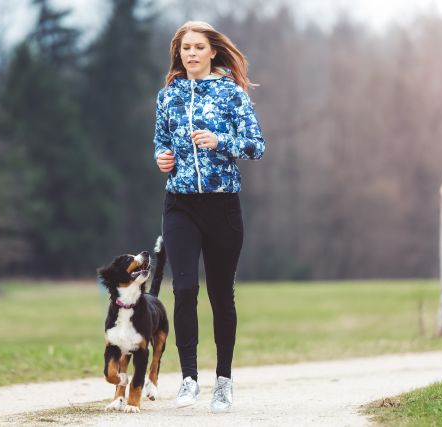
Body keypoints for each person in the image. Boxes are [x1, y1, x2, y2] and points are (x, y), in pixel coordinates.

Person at [153, 20, 265, 413]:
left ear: (212, 51)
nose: (192, 54)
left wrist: (221, 142)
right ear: (179, 53)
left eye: (199, 47)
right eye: (186, 48)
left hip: (222, 205)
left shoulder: (231, 94)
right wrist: (162, 158)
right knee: (184, 289)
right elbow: (161, 143)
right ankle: (188, 379)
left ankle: (223, 382)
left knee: (220, 295)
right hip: (180, 204)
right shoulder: (168, 96)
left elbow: (256, 146)